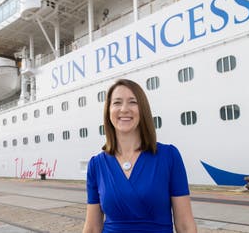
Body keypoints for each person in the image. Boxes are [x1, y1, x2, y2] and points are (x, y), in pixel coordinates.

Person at [83, 79, 197, 233]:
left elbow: (185, 225)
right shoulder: (96, 165)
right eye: (117, 103)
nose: (124, 109)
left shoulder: (169, 156)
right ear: (108, 111)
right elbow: (92, 228)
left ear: (142, 109)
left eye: (132, 102)